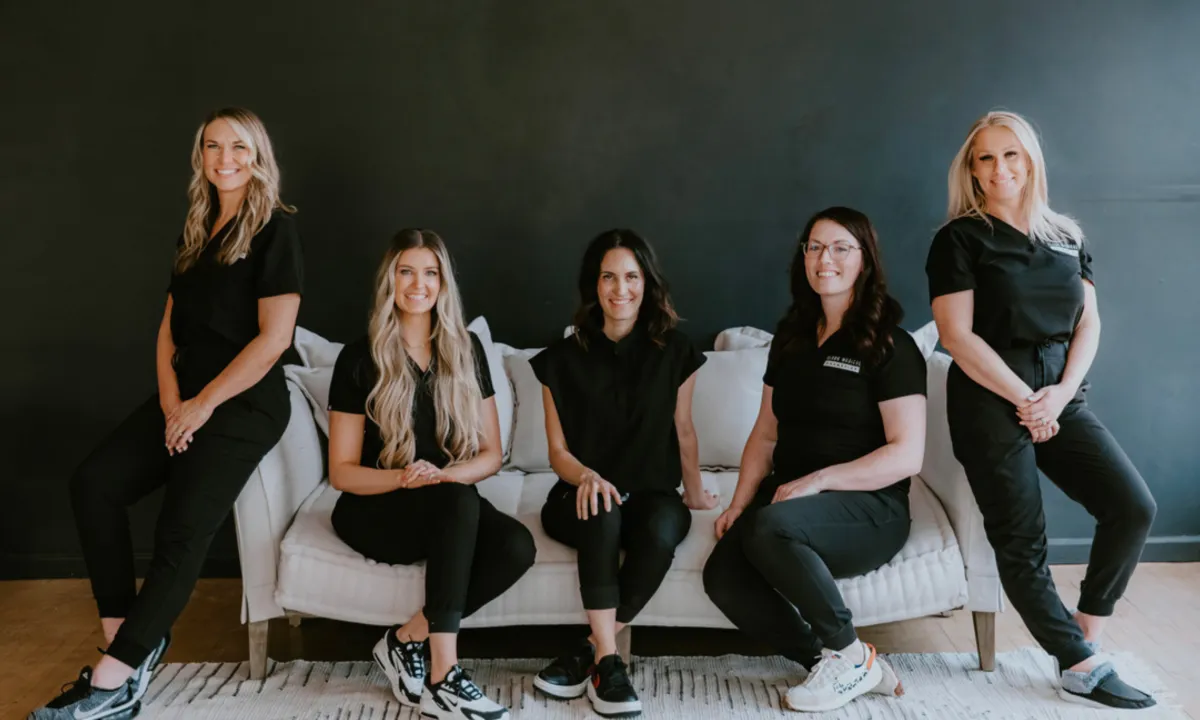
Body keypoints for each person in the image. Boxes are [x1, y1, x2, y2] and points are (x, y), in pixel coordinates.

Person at [33, 108, 303, 720]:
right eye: (213, 146)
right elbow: (168, 327)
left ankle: (111, 683)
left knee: (180, 532)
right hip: (186, 397)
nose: (224, 158)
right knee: (95, 483)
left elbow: (275, 340)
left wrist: (202, 406)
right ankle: (128, 641)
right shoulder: (198, 226)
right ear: (200, 156)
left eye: (238, 147)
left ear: (258, 156)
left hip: (244, 403)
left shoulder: (275, 229)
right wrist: (171, 403)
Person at [926, 110, 1157, 710]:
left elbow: (1089, 323)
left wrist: (1060, 393)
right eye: (985, 158)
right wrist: (1025, 400)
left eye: (1011, 155)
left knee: (1131, 507)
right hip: (988, 395)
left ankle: (1085, 634)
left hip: (1059, 393)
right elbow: (956, 336)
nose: (999, 168)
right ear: (971, 170)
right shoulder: (960, 239)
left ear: (1030, 162)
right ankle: (1078, 665)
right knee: (1021, 538)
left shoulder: (1067, 235)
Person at [702, 207, 925, 713]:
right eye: (815, 247)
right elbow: (765, 435)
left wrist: (819, 480)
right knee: (724, 578)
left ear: (865, 260)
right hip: (790, 503)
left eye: (841, 248)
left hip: (869, 508)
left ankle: (848, 657)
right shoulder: (791, 339)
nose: (826, 259)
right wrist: (738, 503)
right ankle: (846, 660)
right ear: (803, 257)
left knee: (772, 525)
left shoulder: (891, 344)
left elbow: (907, 453)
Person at [327, 229, 535, 720]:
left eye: (430, 273)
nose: (418, 284)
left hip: (443, 503)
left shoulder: (466, 351)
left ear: (443, 283)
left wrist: (442, 477)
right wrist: (405, 479)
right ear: (390, 280)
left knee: (516, 546)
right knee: (458, 499)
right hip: (375, 509)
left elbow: (491, 455)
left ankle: (405, 640)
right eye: (406, 272)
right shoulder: (358, 357)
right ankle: (444, 677)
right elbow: (341, 473)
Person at [530, 229, 719, 718]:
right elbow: (557, 452)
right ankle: (610, 666)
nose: (621, 289)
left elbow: (684, 430)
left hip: (653, 494)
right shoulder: (560, 360)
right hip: (577, 495)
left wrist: (695, 492)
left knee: (660, 530)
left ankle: (587, 651)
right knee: (601, 509)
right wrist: (587, 477)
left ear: (647, 283)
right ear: (593, 285)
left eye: (632, 277)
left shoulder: (676, 351)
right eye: (609, 277)